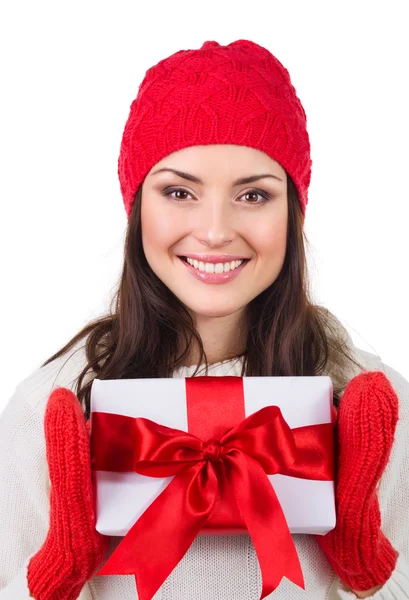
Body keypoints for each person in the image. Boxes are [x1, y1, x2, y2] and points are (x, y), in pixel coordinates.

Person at [0, 38, 408, 600]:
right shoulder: (52, 405)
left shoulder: (371, 401)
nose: (215, 230)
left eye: (253, 196)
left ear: (292, 211)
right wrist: (56, 574)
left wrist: (366, 565)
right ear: (138, 206)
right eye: (179, 191)